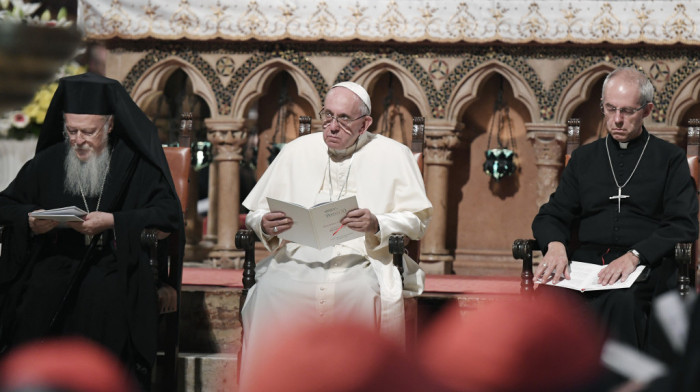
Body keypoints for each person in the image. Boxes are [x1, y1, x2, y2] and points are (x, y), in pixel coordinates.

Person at [239, 82, 432, 387]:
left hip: (364, 260)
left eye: (343, 119)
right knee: (268, 292)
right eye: (327, 116)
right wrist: (264, 223)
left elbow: (416, 220)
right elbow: (255, 213)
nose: (332, 127)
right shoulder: (297, 150)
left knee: (358, 294)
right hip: (299, 258)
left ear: (365, 123)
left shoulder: (395, 154)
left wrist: (376, 223)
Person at [0, 73, 184, 388]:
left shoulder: (135, 165)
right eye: (71, 131)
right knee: (33, 297)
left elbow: (168, 214)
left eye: (88, 131)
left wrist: (113, 221)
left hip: (112, 262)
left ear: (110, 125)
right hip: (55, 260)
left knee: (102, 299)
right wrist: (31, 219)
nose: (78, 140)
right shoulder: (49, 161)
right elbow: (5, 204)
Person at [531, 67, 698, 351]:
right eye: (610, 109)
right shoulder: (584, 159)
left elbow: (683, 224)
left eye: (627, 111)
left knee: (623, 301)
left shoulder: (669, 159)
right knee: (550, 297)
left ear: (647, 110)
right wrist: (556, 245)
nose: (617, 119)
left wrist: (635, 256)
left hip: (645, 265)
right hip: (585, 265)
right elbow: (551, 214)